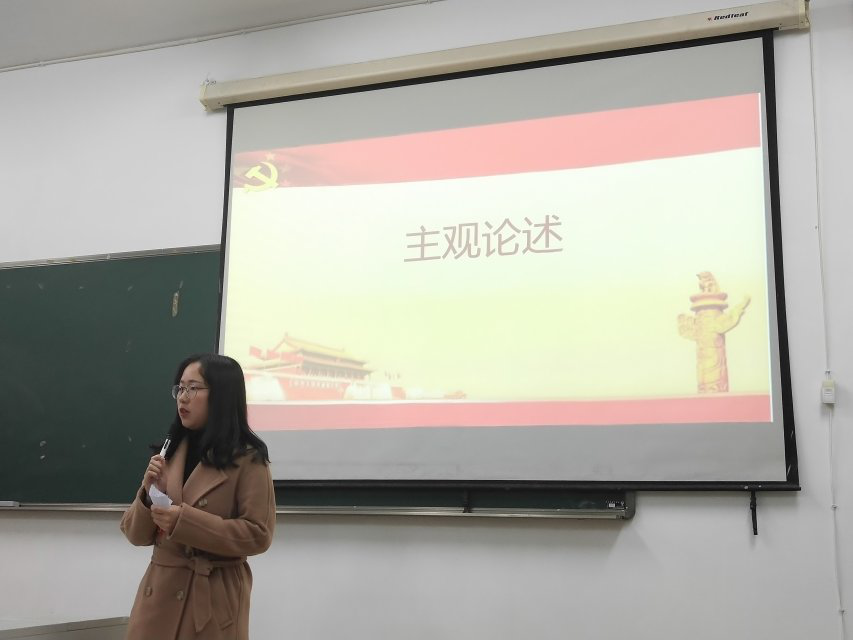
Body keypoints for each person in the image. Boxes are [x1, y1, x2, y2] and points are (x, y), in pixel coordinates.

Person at [120, 354, 275, 640]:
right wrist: (147, 493)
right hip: (158, 600)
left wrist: (185, 521)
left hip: (211, 602)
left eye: (193, 388)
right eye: (180, 388)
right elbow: (136, 535)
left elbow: (258, 535)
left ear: (222, 395)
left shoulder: (248, 459)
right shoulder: (168, 450)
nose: (183, 397)